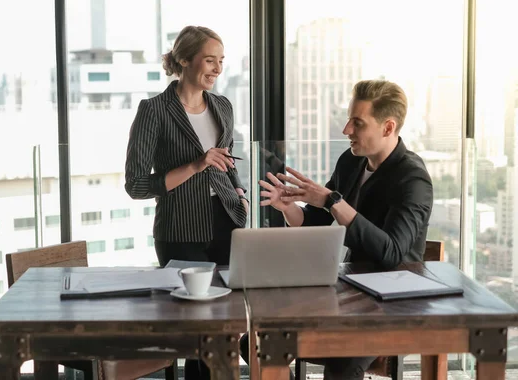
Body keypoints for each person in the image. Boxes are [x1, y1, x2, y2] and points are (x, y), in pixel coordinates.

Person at [240, 79, 434, 380]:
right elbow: (315, 220)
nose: (346, 131)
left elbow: (393, 253)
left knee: (343, 364)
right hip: (351, 293)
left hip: (395, 302)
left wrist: (333, 200)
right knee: (253, 342)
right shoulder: (350, 162)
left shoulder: (413, 179)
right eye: (348, 120)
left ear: (387, 127)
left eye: (358, 123)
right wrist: (287, 207)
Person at [125, 25, 248, 380]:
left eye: (221, 61)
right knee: (200, 329)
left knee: (225, 323)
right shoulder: (154, 110)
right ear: (184, 59)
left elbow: (226, 160)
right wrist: (196, 164)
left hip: (227, 222)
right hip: (180, 229)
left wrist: (238, 192)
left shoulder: (222, 106)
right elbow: (136, 185)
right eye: (210, 60)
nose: (218, 69)